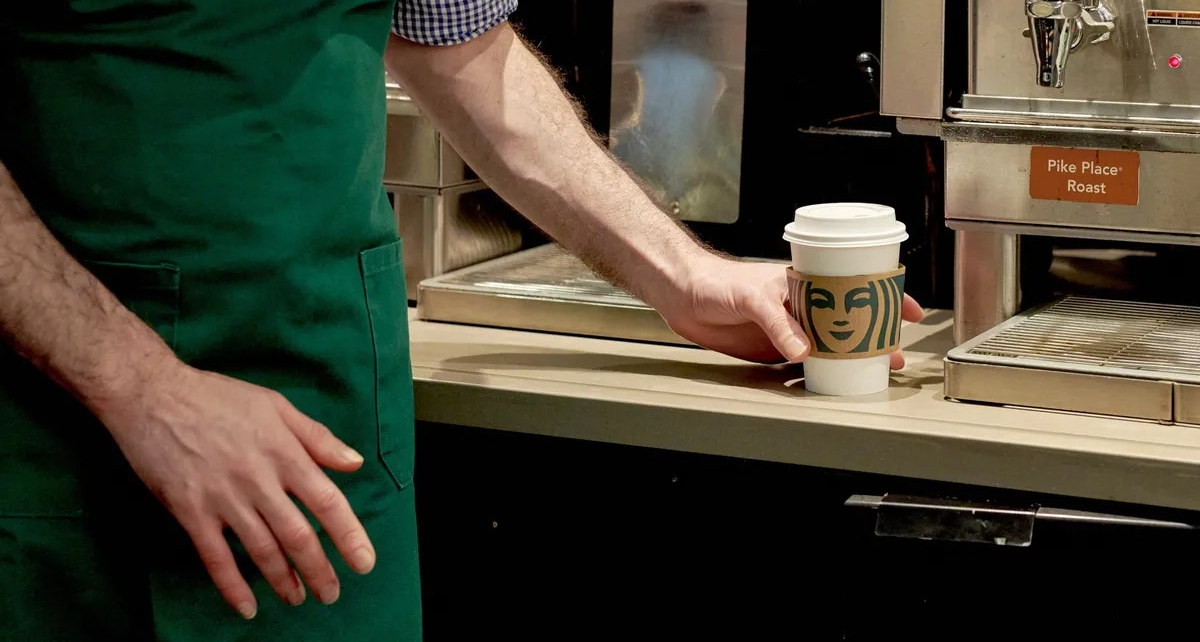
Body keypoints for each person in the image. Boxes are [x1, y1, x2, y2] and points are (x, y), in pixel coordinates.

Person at [0, 0, 924, 639]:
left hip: (322, 386)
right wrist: (143, 390)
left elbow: (462, 50)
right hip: (62, 417)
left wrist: (686, 278)